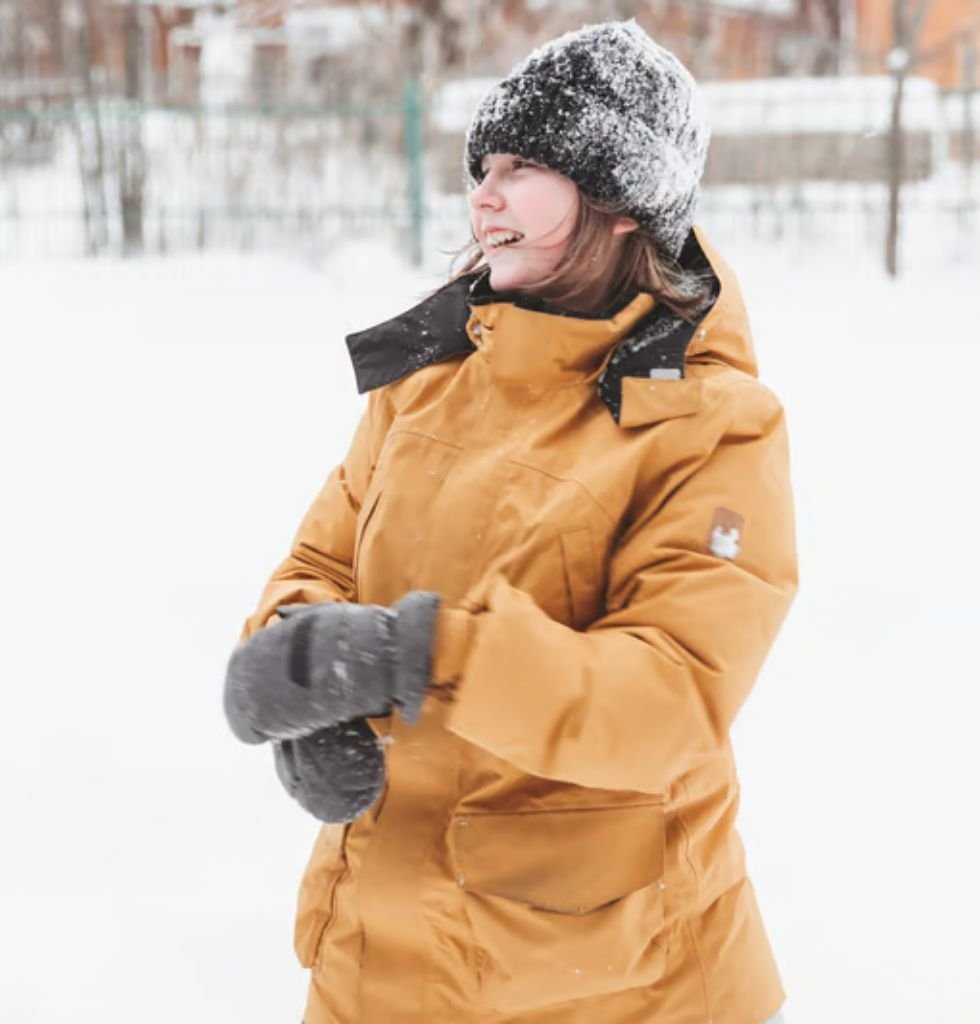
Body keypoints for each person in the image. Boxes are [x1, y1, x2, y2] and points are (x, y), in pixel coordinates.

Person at [223, 19, 797, 1024]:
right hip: (375, 964)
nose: (483, 192)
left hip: (605, 983)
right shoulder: (430, 375)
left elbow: (668, 695)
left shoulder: (711, 426)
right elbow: (322, 557)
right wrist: (305, 669)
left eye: (523, 165)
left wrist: (419, 654)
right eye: (482, 163)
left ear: (620, 200)